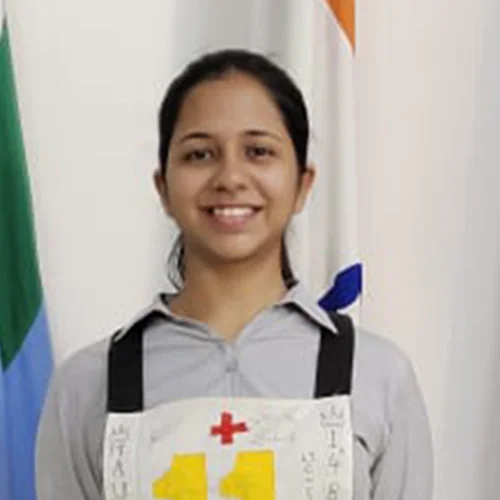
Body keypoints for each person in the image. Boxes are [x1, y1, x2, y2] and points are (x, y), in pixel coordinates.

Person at [36, 49, 433, 500]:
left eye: (258, 152)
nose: (230, 177)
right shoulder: (87, 385)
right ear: (163, 188)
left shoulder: (378, 374)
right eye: (200, 154)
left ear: (302, 184)